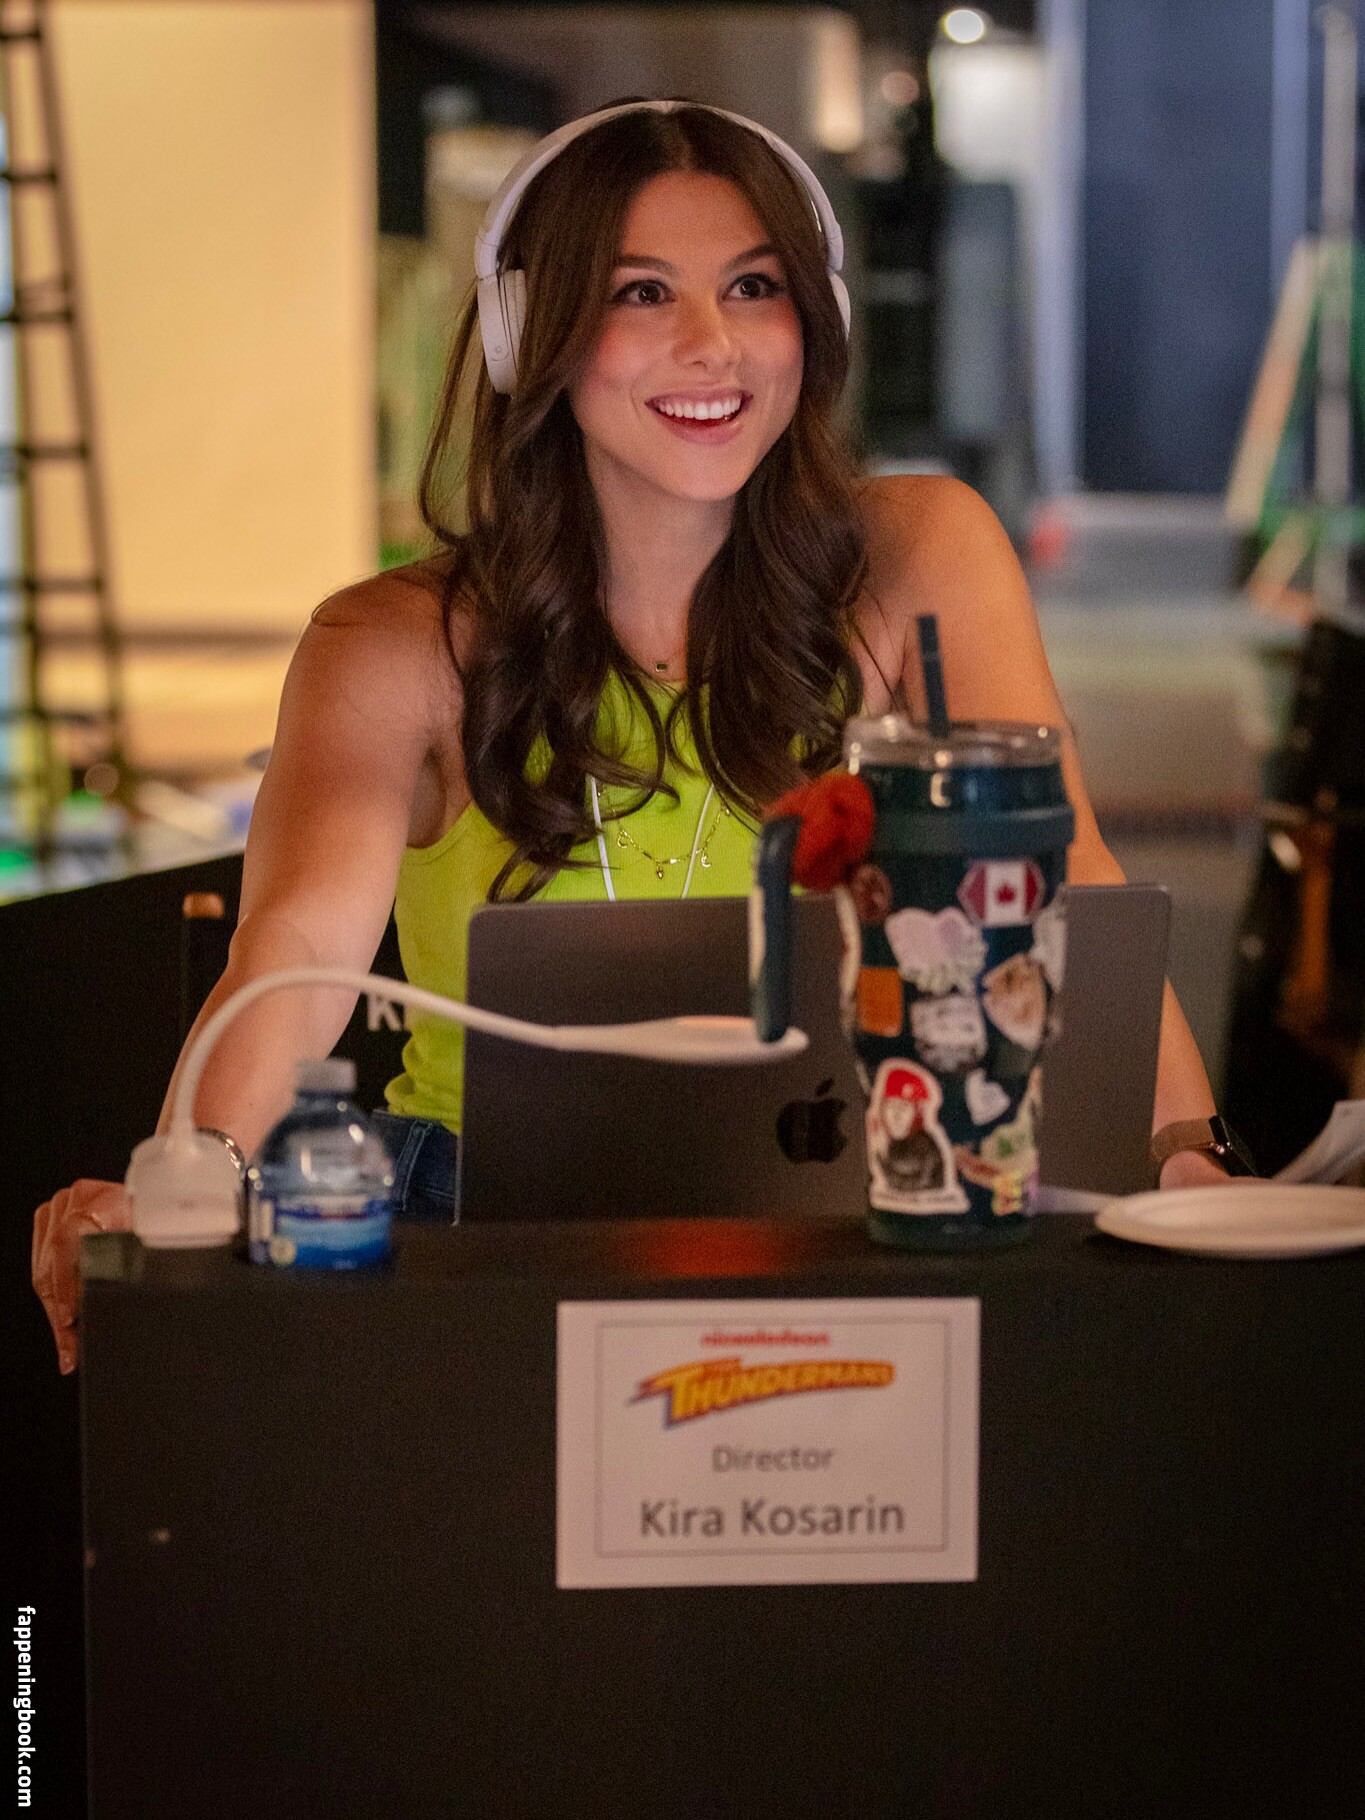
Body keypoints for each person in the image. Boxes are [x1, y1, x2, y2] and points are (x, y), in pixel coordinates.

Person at [32, 98, 1230, 1372]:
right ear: (528, 333)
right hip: (488, 1230)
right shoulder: (395, 644)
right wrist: (186, 1181)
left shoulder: (921, 556)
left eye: (754, 286)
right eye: (642, 293)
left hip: (861, 1194)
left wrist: (1189, 1154)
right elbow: (296, 954)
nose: (713, 345)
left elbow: (1065, 880)